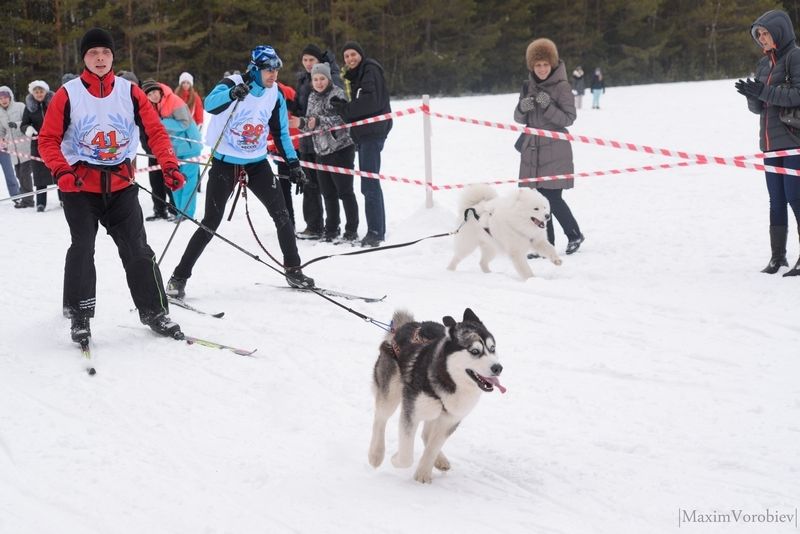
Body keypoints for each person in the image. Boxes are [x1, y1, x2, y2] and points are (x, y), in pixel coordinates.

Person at [38, 27, 187, 342]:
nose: (100, 58)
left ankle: (155, 312)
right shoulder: (68, 94)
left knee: (138, 250)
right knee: (82, 248)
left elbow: (156, 133)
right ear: (85, 58)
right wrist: (61, 171)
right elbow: (48, 140)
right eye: (93, 53)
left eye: (105, 52)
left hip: (120, 186)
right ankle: (80, 317)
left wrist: (169, 164)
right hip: (79, 188)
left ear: (113, 57)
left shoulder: (129, 92)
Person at [165, 44, 314, 299]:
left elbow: (280, 133)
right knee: (211, 222)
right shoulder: (232, 82)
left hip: (257, 163)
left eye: (276, 71)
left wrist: (294, 163)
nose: (273, 76)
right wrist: (233, 93)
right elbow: (211, 104)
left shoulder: (275, 93)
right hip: (226, 163)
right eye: (268, 71)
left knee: (282, 214)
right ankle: (179, 277)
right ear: (255, 69)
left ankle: (293, 269)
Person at [736, 9, 800, 276]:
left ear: (780, 32)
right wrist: (753, 97)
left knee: (795, 197)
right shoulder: (763, 64)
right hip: (770, 142)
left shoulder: (795, 56)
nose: (762, 38)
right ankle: (778, 257)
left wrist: (764, 91)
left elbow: (797, 95)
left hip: (794, 141)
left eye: (765, 33)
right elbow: (761, 108)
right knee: (776, 200)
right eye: (758, 35)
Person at [514, 37, 584, 255]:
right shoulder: (527, 86)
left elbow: (569, 118)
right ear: (532, 66)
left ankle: (574, 234)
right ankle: (546, 243)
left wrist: (547, 106)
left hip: (555, 150)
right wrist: (522, 108)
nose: (542, 69)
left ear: (552, 64)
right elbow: (518, 117)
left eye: (545, 64)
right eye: (538, 65)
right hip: (532, 149)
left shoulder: (562, 87)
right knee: (536, 199)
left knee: (552, 198)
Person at [330, 41, 392, 247]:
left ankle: (375, 232)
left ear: (361, 55)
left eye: (353, 54)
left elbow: (371, 101)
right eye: (346, 56)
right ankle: (377, 229)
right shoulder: (358, 75)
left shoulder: (370, 70)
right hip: (364, 134)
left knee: (369, 184)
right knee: (369, 183)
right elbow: (362, 101)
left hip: (372, 133)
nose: (350, 59)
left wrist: (345, 110)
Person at [294, 62, 359, 242]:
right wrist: (301, 123)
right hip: (321, 151)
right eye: (315, 79)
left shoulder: (337, 94)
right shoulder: (312, 97)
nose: (319, 82)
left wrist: (318, 121)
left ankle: (351, 230)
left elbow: (341, 119)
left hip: (341, 148)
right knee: (327, 193)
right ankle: (331, 229)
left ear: (328, 79)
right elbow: (310, 123)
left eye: (322, 78)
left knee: (345, 192)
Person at [141, 79, 202, 220]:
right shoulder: (152, 106)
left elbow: (185, 123)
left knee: (188, 182)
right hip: (172, 150)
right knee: (175, 181)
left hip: (189, 147)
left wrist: (161, 122)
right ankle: (179, 213)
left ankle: (187, 214)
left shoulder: (174, 101)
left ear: (160, 91)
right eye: (149, 95)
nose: (153, 96)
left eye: (155, 92)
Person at [20, 80, 57, 212]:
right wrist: (28, 129)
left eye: (41, 91)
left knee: (59, 171)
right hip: (38, 145)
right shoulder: (29, 107)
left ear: (46, 92)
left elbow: (62, 118)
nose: (39, 94)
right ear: (32, 93)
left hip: (56, 142)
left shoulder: (54, 103)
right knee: (40, 175)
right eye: (36, 92)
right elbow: (23, 124)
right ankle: (41, 203)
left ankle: (64, 199)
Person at [0, 86, 31, 207]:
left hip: (24, 145)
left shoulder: (20, 106)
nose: (3, 100)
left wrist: (16, 124)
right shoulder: (0, 112)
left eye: (5, 97)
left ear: (10, 97)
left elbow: (27, 121)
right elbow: (2, 130)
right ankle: (23, 197)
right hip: (12, 148)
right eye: (1, 98)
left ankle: (28, 200)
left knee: (25, 174)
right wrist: (1, 137)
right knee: (18, 174)